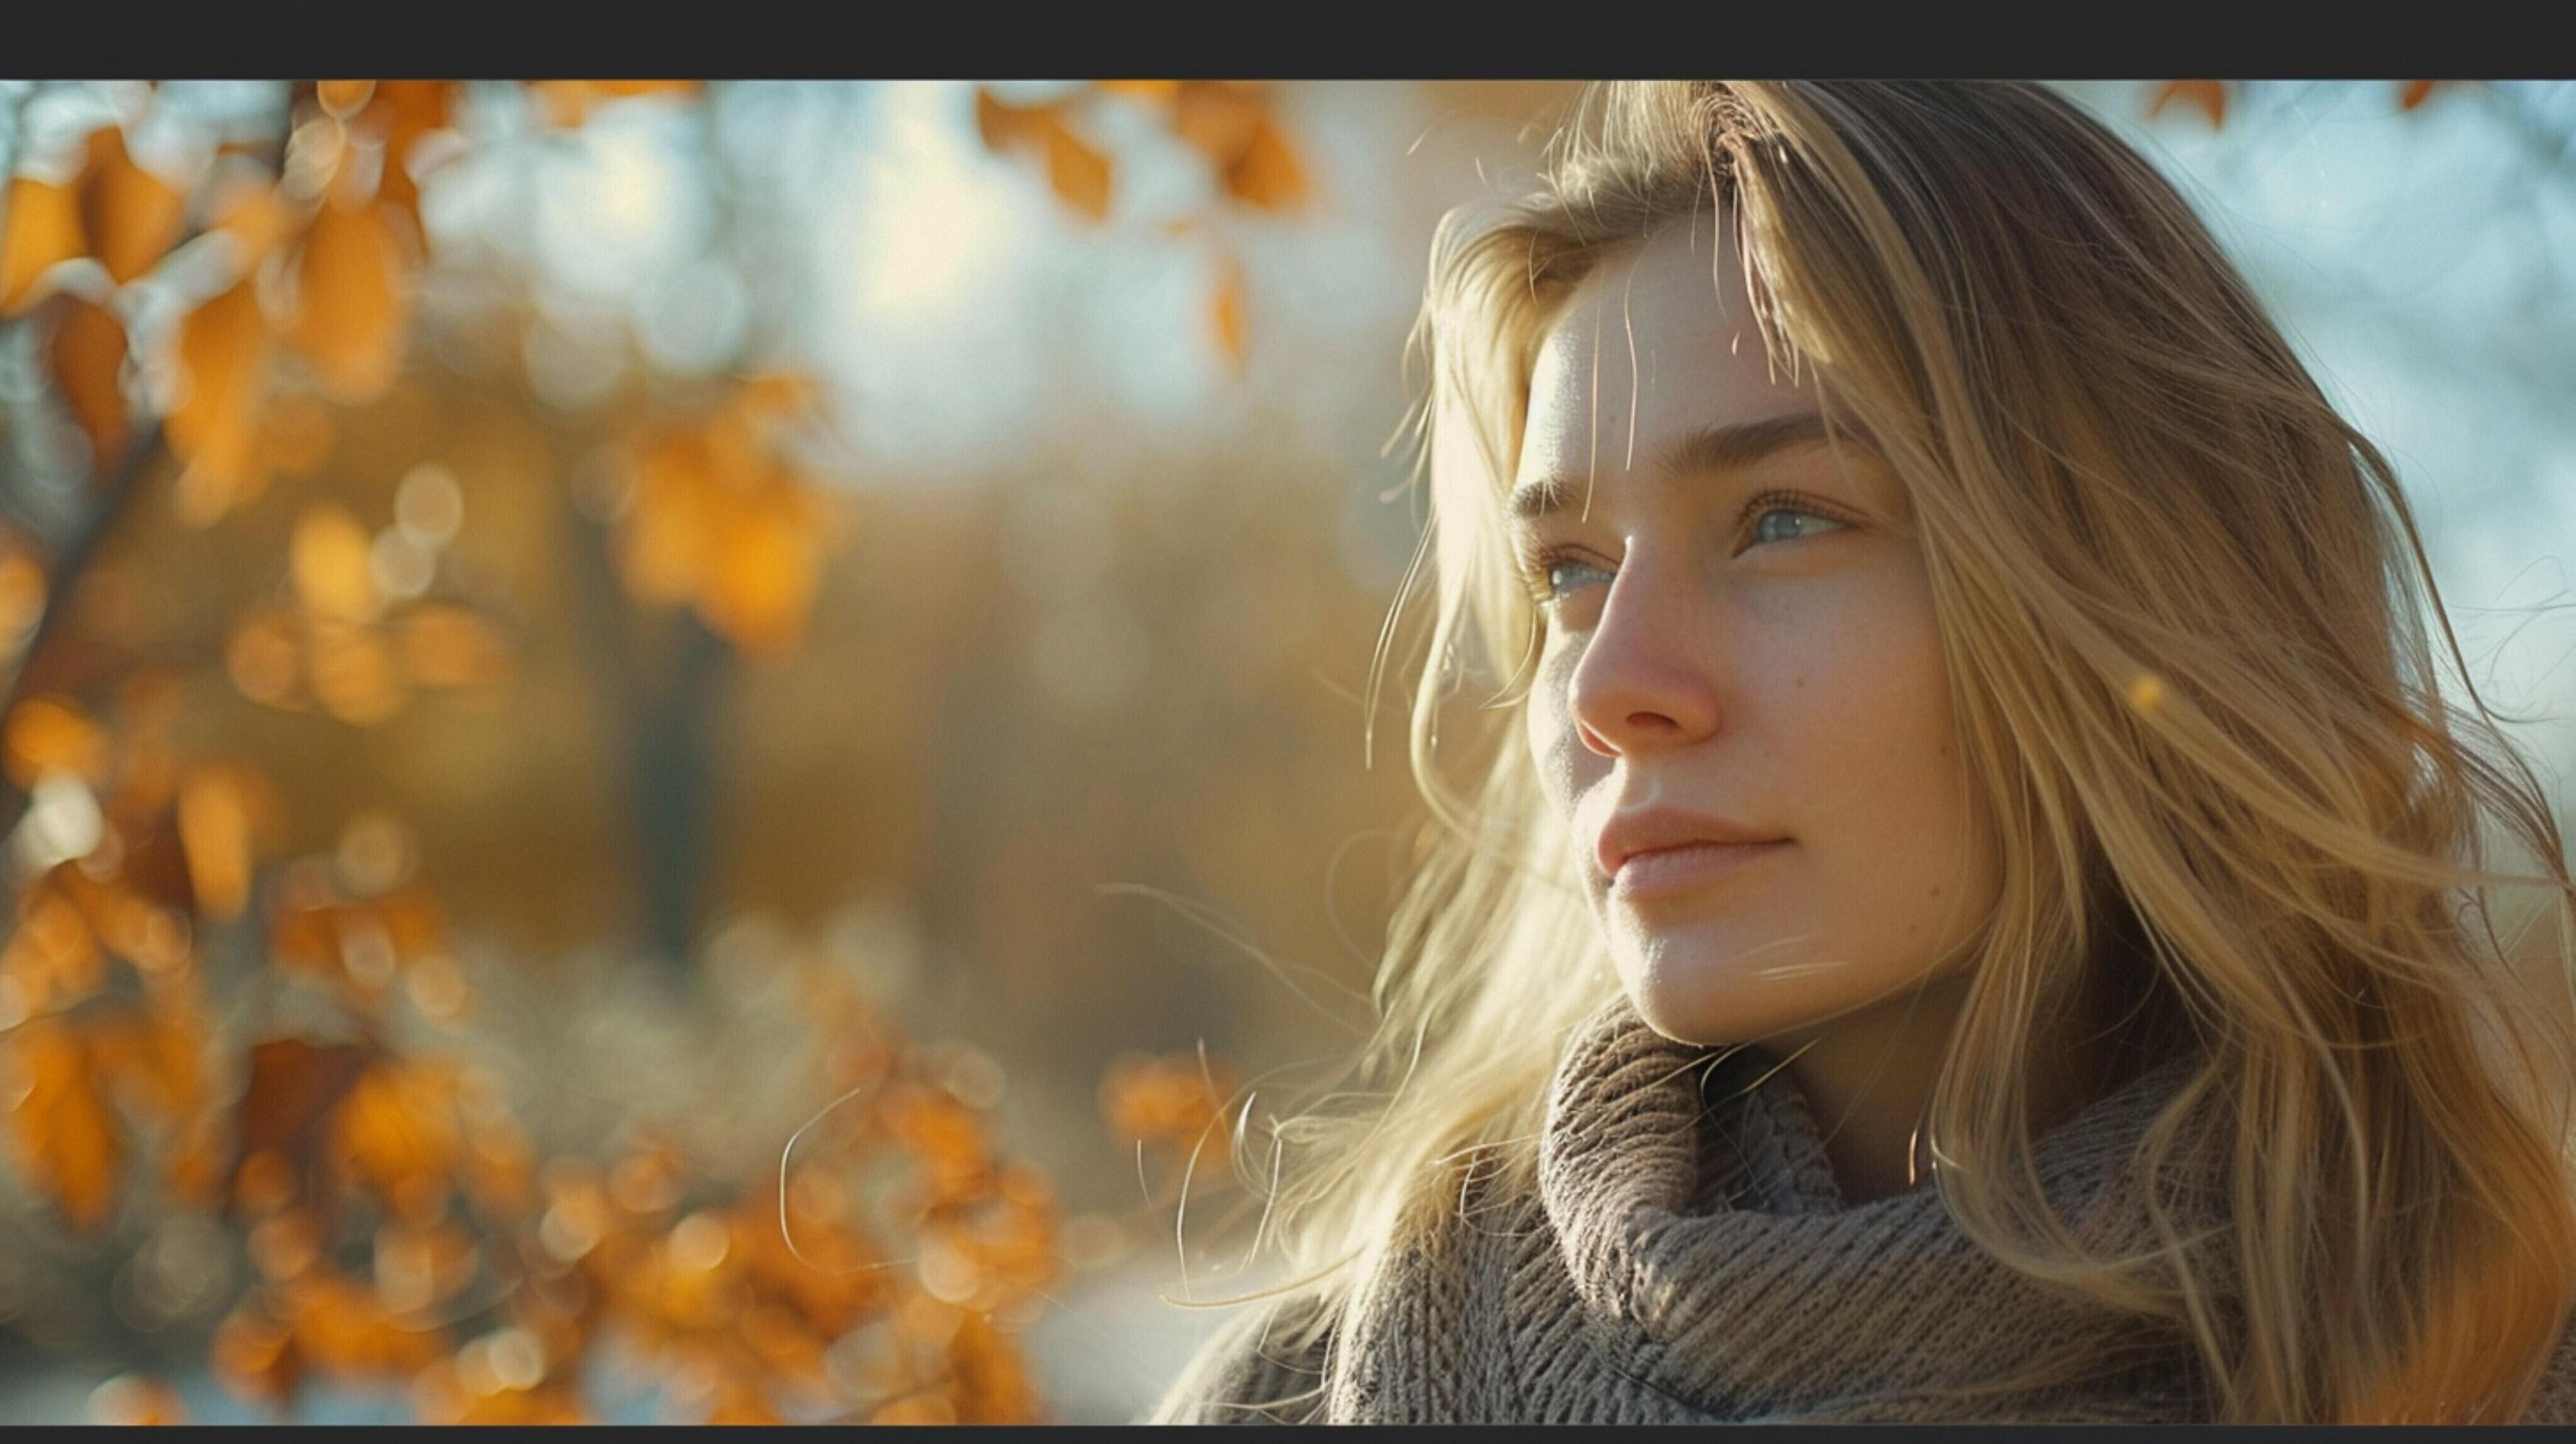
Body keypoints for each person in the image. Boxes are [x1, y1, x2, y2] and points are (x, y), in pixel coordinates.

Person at [1140, 81, 2576, 1425]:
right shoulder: (1298, 1392)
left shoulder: (2509, 1366)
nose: (1614, 684)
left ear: (2134, 592)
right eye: (1568, 569)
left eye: (1781, 517)